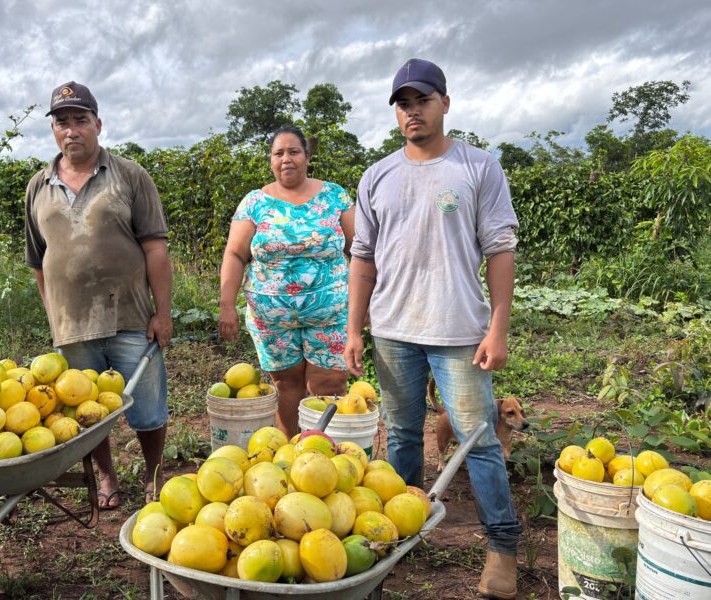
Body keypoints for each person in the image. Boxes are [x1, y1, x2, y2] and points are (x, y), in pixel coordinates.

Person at [343, 59, 522, 599]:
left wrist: (498, 327)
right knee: (400, 436)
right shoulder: (377, 176)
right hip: (394, 331)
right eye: (403, 104)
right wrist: (355, 328)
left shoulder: (478, 168)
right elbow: (363, 258)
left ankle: (502, 545)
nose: (411, 111)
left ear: (445, 103)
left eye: (421, 100)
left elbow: (500, 249)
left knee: (477, 440)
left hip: (460, 331)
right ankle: (396, 534)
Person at [24, 81, 172, 509]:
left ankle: (153, 475)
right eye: (62, 122)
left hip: (130, 316)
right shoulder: (39, 185)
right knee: (85, 413)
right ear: (54, 130)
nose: (71, 130)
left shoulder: (129, 175)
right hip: (72, 325)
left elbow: (156, 249)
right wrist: (54, 315)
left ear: (98, 124)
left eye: (80, 120)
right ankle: (106, 477)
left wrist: (163, 313)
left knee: (146, 409)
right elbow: (39, 261)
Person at [219, 126, 355, 437]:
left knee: (330, 385)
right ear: (270, 160)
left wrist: (368, 301)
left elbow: (359, 250)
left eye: (294, 151)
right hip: (272, 321)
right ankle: (293, 452)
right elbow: (235, 255)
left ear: (308, 157)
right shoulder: (254, 202)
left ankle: (328, 454)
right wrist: (226, 304)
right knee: (286, 385)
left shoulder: (335, 196)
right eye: (278, 153)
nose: (286, 159)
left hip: (330, 315)